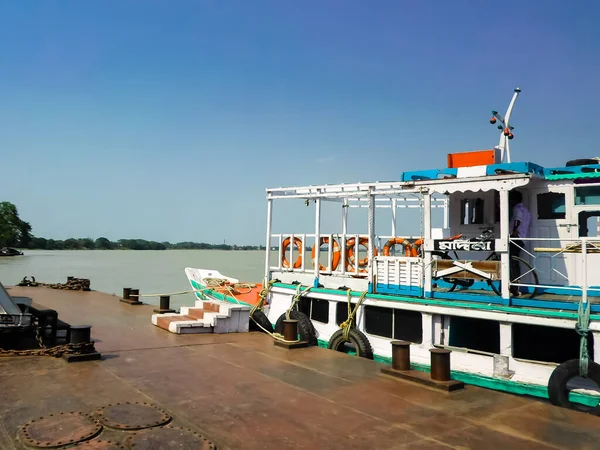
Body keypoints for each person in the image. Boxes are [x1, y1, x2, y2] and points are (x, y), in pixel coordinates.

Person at [509, 190, 531, 296]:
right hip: (523, 239)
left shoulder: (517, 208)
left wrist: (513, 232)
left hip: (516, 238)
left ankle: (513, 288)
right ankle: (515, 286)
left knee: (512, 263)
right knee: (515, 263)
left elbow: (517, 220)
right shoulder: (526, 210)